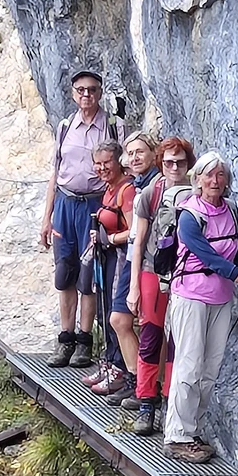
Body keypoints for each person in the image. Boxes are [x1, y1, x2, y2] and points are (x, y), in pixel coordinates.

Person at [164, 152, 238, 463]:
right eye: (208, 175)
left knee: (210, 368)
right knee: (188, 366)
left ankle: (192, 431)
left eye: (220, 175)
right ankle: (177, 435)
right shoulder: (189, 216)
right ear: (197, 180)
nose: (214, 181)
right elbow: (210, 259)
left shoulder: (230, 210)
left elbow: (236, 251)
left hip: (221, 296)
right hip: (190, 295)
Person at [39, 69, 120, 365]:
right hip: (65, 203)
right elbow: (55, 173)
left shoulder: (112, 127)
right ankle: (66, 339)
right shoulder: (65, 126)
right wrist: (47, 218)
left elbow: (121, 171)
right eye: (81, 90)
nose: (87, 95)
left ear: (100, 93)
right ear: (73, 94)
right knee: (64, 272)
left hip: (94, 205)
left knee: (88, 273)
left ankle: (84, 341)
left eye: (92, 89)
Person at [128, 135, 195, 436]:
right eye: (169, 162)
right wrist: (133, 287)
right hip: (152, 272)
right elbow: (138, 242)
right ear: (161, 163)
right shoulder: (150, 195)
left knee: (178, 340)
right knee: (151, 337)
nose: (175, 168)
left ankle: (169, 401)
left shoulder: (197, 193)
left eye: (180, 162)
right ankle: (146, 402)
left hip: (185, 274)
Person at [93, 129, 156, 399]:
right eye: (131, 153)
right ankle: (136, 382)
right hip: (130, 257)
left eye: (140, 152)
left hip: (136, 260)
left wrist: (109, 238)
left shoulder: (137, 188)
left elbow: (134, 232)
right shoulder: (138, 184)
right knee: (119, 319)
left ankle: (139, 384)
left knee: (123, 320)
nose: (135, 158)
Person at [81, 135, 137, 398]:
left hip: (121, 257)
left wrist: (110, 239)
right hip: (108, 255)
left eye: (107, 163)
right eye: (98, 163)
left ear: (118, 162)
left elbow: (133, 231)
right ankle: (109, 363)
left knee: (115, 311)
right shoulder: (110, 188)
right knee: (105, 312)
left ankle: (120, 370)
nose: (102, 168)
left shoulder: (127, 190)